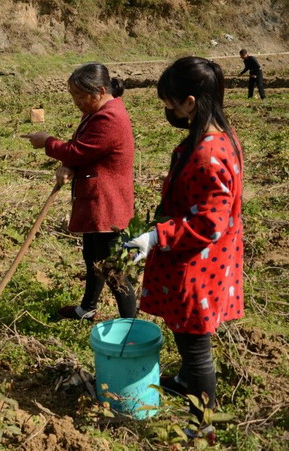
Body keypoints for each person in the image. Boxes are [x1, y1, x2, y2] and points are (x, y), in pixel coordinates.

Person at [125, 56, 244, 443]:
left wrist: (157, 236)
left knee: (195, 342)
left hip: (200, 263)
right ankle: (184, 380)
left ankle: (202, 421)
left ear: (190, 102)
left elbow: (209, 222)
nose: (168, 110)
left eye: (170, 103)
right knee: (185, 329)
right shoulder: (215, 137)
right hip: (201, 258)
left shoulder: (210, 154)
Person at [21, 63, 136, 321]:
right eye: (73, 95)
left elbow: (78, 150)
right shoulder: (96, 112)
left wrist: (47, 142)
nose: (76, 102)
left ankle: (131, 327)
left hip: (107, 203)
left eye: (80, 96)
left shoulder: (110, 117)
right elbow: (85, 149)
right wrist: (69, 165)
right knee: (92, 257)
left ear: (99, 91)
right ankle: (87, 309)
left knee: (113, 270)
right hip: (95, 198)